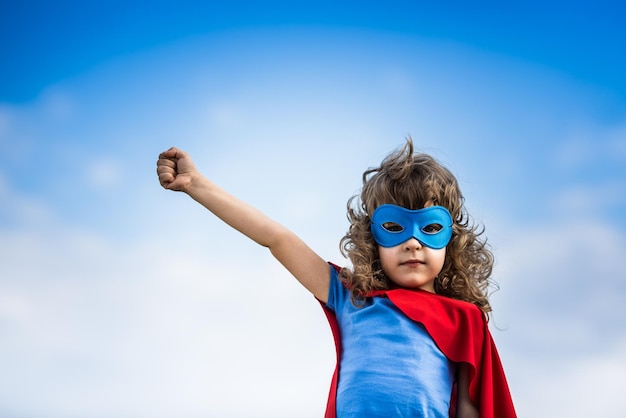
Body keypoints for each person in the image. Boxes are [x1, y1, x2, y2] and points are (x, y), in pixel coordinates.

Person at [156, 138, 516, 418]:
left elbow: (473, 408)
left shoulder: (464, 319)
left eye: (429, 227)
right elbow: (276, 238)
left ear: (451, 238)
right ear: (372, 237)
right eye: (394, 227)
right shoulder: (353, 297)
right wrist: (196, 184)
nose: (411, 242)